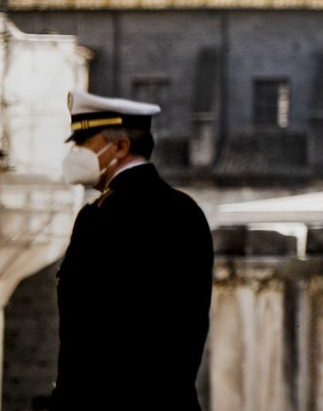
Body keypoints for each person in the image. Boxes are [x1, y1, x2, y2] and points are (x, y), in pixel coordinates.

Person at [49, 89, 212, 409]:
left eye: (83, 143)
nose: (76, 153)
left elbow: (85, 336)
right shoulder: (186, 210)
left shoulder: (100, 218)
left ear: (120, 147)